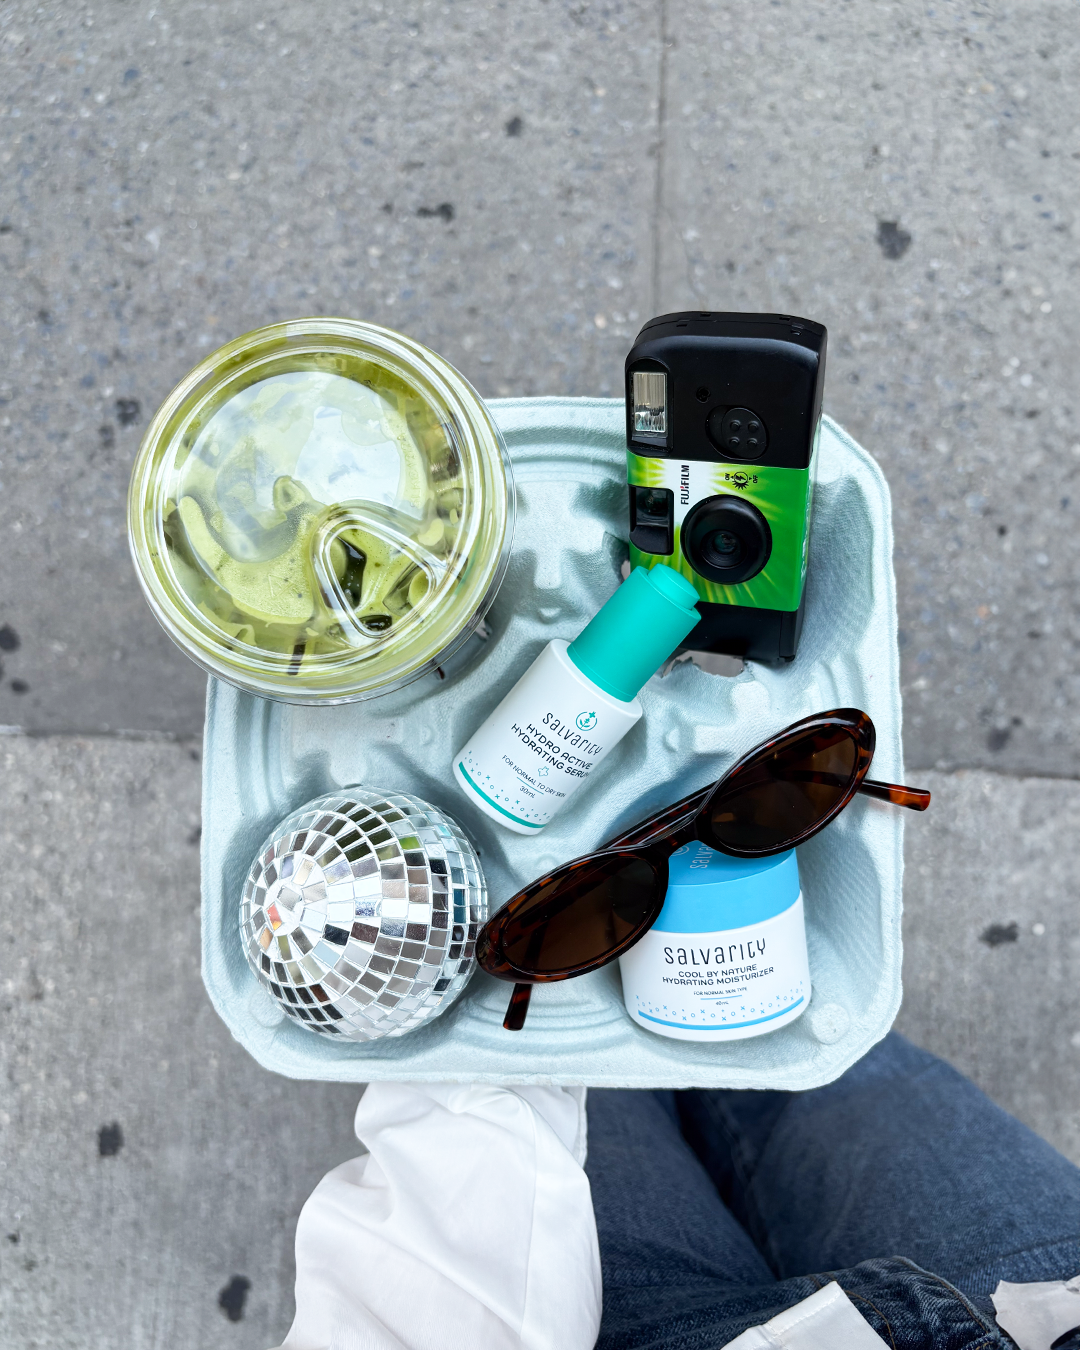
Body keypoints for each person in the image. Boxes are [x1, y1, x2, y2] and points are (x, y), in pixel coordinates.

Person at [270, 1033, 1080, 1350]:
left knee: (591, 1061)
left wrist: (498, 1043)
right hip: (1041, 1305)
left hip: (631, 1335)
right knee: (811, 1048)